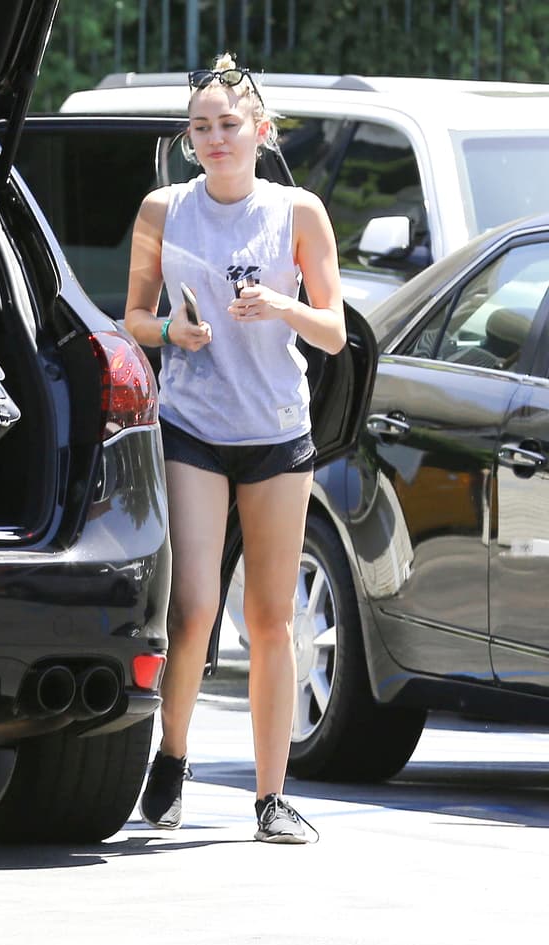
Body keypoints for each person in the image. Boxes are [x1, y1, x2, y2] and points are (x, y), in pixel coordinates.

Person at [123, 54, 346, 843]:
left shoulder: (297, 211)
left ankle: (270, 797)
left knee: (272, 618)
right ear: (189, 139)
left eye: (228, 125)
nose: (216, 138)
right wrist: (170, 333)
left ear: (260, 129)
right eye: (201, 128)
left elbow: (335, 328)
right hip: (195, 423)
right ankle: (173, 756)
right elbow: (133, 321)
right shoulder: (164, 210)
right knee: (192, 611)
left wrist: (282, 304)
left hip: (278, 428)